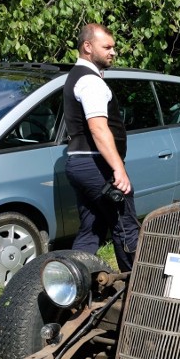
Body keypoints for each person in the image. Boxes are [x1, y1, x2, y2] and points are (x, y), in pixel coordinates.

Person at [63, 23, 139, 272]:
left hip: (79, 164)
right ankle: (137, 287)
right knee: (125, 225)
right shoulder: (90, 81)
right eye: (106, 47)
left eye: (113, 47)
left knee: (91, 228)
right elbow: (98, 128)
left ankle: (72, 286)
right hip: (96, 164)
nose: (112, 52)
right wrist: (119, 169)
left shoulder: (76, 76)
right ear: (87, 46)